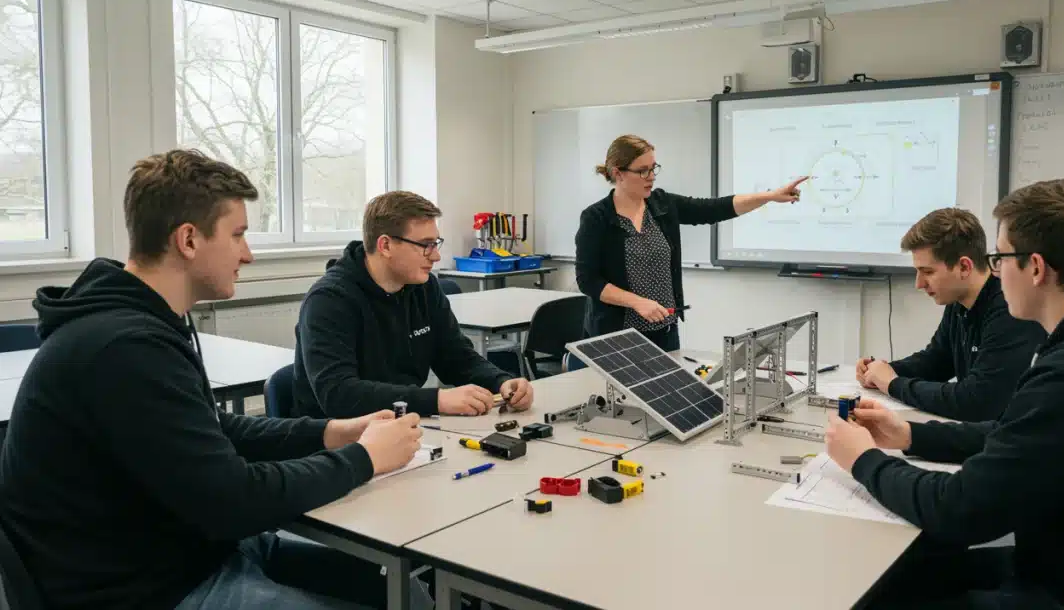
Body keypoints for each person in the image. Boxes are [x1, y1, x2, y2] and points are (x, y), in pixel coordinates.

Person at [0, 149, 430, 609]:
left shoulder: (144, 323)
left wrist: (329, 433)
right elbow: (234, 501)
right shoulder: (122, 348)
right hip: (144, 588)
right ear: (188, 239)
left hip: (192, 551)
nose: (247, 254)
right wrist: (363, 459)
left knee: (403, 591)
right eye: (238, 234)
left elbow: (216, 429)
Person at [825, 179, 1064, 609]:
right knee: (902, 577)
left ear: (1035, 268)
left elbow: (960, 511)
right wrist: (907, 434)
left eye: (1001, 258)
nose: (996, 271)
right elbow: (1010, 434)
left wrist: (862, 460)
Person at [292, 191, 534, 419]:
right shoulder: (329, 301)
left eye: (435, 243)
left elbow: (454, 356)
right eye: (424, 245)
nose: (436, 256)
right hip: (335, 442)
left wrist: (500, 382)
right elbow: (339, 395)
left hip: (402, 425)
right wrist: (436, 400)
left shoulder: (424, 287)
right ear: (385, 245)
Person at [574, 134, 807, 352]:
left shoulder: (662, 205)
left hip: (664, 331)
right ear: (619, 173)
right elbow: (588, 280)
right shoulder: (597, 217)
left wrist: (770, 196)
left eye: (653, 168)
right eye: (643, 171)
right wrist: (636, 302)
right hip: (616, 335)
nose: (652, 177)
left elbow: (714, 208)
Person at [854, 208, 1046, 420]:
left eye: (928, 272)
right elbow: (937, 361)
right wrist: (882, 369)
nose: (919, 283)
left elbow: (976, 401)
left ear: (964, 267)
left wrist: (892, 383)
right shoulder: (959, 302)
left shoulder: (1009, 311)